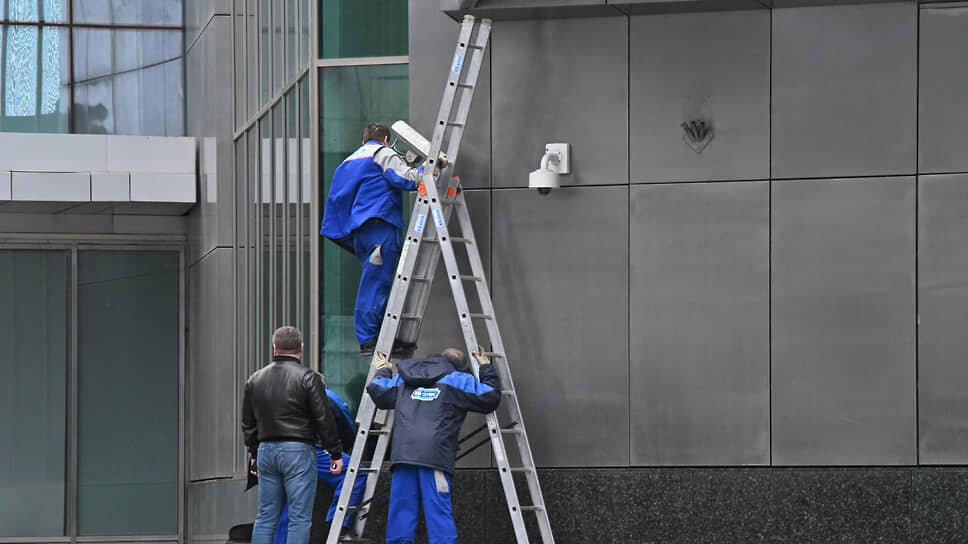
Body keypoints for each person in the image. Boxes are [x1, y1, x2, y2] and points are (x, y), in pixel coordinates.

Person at [366, 347, 501, 544]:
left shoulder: (405, 377)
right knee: (438, 514)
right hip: (435, 456)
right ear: (460, 366)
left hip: (404, 455)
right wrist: (486, 368)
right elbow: (490, 396)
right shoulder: (458, 379)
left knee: (401, 513)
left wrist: (384, 369)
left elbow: (378, 390)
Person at [319, 123, 424, 358]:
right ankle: (369, 339)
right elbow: (404, 178)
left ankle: (381, 337)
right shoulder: (382, 153)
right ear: (386, 139)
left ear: (363, 139)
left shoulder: (348, 161)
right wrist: (429, 168)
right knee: (376, 283)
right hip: (379, 225)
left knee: (377, 280)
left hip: (359, 231)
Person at [242, 326, 344, 544]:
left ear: (274, 347)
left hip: (265, 451)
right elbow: (323, 419)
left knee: (266, 516)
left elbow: (248, 423)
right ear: (301, 348)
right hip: (298, 451)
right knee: (299, 518)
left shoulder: (255, 379)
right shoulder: (309, 378)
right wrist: (335, 452)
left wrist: (253, 451)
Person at [271, 389, 368, 543]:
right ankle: (340, 526)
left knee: (291, 503)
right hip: (307, 449)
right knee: (356, 472)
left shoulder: (283, 396)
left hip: (276, 452)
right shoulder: (328, 397)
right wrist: (337, 452)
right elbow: (345, 427)